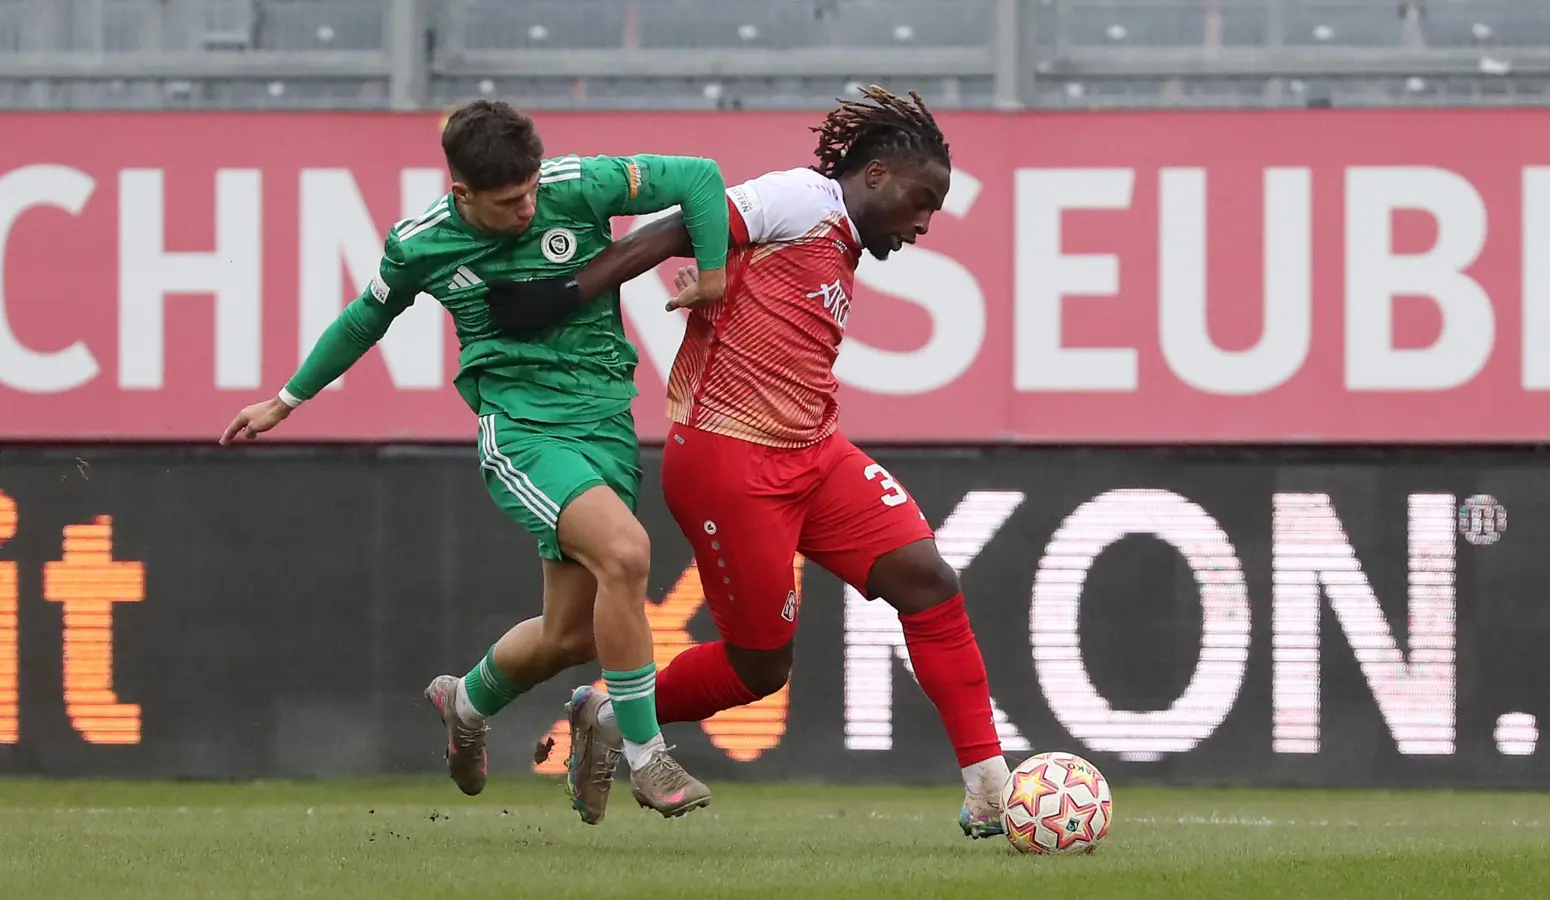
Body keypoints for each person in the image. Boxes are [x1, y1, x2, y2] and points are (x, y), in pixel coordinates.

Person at [217, 99, 732, 820]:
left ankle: (465, 701)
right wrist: (287, 398)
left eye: (528, 192)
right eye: (507, 201)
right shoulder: (422, 243)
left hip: (606, 419)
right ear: (461, 193)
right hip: (523, 429)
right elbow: (369, 314)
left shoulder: (577, 185)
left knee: (570, 636)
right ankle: (648, 757)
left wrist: (712, 274)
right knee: (627, 555)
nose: (526, 208)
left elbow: (702, 180)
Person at [546, 86, 1011, 837]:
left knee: (928, 581)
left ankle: (990, 788)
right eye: (923, 202)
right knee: (761, 668)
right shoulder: (802, 198)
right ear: (880, 175)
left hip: (813, 452)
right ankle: (610, 710)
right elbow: (677, 226)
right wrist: (569, 292)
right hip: (730, 464)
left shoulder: (844, 241)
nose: (925, 224)